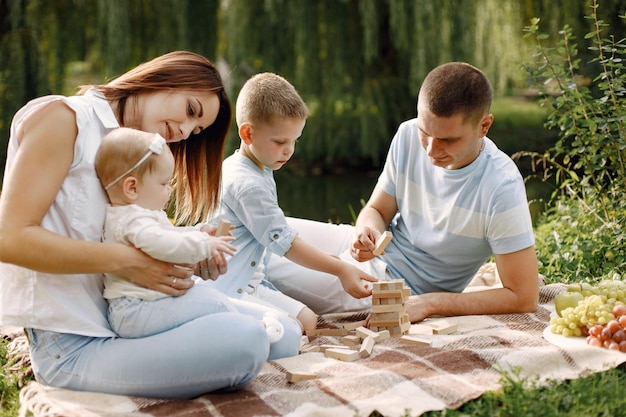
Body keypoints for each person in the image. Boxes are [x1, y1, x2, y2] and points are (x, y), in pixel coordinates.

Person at [0, 51, 300, 400]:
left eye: (196, 130)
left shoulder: (138, 154)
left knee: (286, 333)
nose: (185, 131)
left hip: (140, 317)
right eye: (190, 111)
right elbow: (10, 238)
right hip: (75, 345)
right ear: (164, 78)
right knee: (248, 342)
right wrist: (129, 261)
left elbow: (142, 241)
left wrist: (191, 255)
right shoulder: (65, 118)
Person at [265, 62, 540, 321]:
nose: (430, 150)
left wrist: (431, 303)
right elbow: (376, 210)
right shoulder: (407, 135)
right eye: (425, 132)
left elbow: (523, 296)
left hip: (389, 288)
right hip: (359, 249)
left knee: (258, 259)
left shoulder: (501, 186)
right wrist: (367, 230)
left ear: (484, 126)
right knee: (255, 230)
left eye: (447, 140)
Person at [208, 72, 377, 332]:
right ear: (247, 133)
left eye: (295, 141)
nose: (289, 151)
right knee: (288, 331)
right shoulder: (247, 185)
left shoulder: (256, 167)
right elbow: (285, 243)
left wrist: (323, 258)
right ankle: (227, 325)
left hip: (254, 280)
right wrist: (340, 269)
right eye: (280, 142)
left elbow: (273, 236)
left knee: (308, 321)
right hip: (232, 288)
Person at [94, 127, 286, 344]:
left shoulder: (138, 216)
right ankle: (248, 331)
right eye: (164, 183)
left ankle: (244, 329)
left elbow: (168, 234)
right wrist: (205, 244)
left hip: (145, 306)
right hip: (136, 310)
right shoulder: (131, 219)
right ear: (132, 188)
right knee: (211, 303)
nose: (170, 189)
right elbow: (162, 243)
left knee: (209, 298)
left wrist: (198, 231)